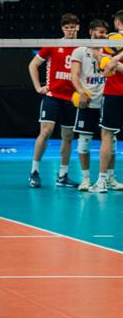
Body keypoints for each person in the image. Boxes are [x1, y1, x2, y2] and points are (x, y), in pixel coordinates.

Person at [28, 13, 81, 189]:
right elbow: (33, 65)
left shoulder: (82, 48)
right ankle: (34, 171)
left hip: (72, 98)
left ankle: (63, 175)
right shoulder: (54, 44)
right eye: (67, 27)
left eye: (72, 27)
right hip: (52, 96)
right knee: (46, 131)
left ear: (78, 27)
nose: (70, 31)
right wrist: (38, 87)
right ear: (62, 29)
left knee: (68, 137)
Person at [69, 20, 109, 192]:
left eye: (105, 32)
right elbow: (74, 75)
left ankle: (109, 178)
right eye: (100, 32)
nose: (103, 35)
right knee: (83, 144)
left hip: (107, 101)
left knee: (111, 143)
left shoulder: (109, 50)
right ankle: (85, 179)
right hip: (87, 102)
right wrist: (81, 92)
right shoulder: (80, 51)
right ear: (91, 31)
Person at [98, 10, 123, 191]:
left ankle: (101, 181)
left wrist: (114, 60)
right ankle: (107, 178)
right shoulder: (109, 41)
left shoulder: (108, 41)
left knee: (107, 136)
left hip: (113, 95)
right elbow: (106, 70)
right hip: (114, 93)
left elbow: (107, 71)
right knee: (109, 136)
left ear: (116, 22)